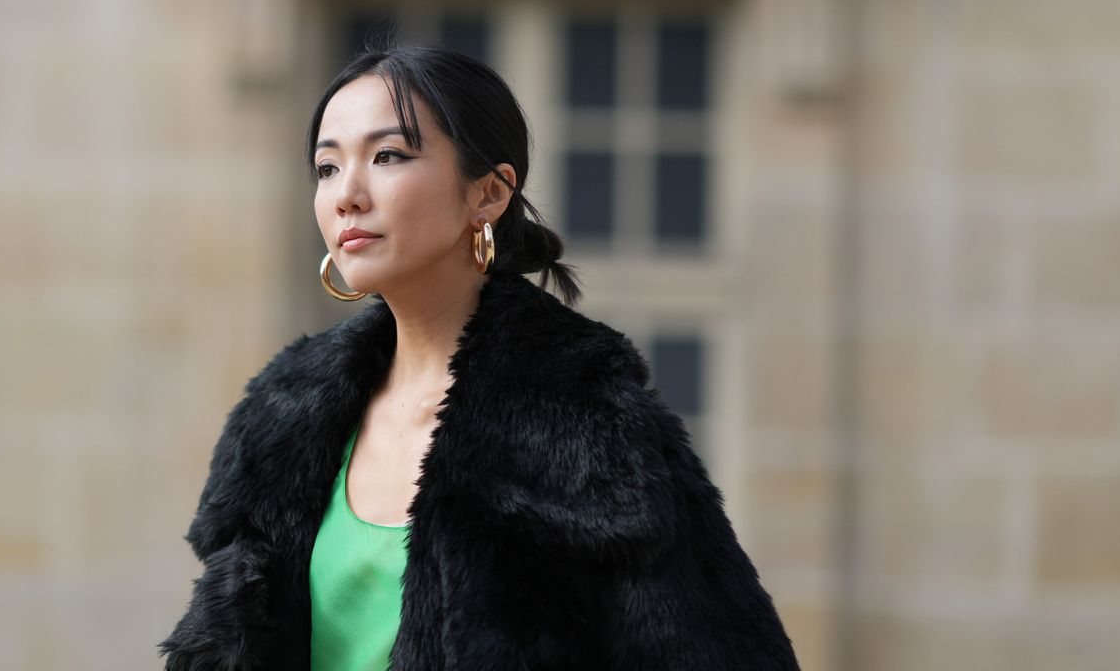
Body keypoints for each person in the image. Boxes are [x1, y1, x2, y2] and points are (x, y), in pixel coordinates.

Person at [158, 46, 800, 671]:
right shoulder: (283, 414)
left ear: (489, 195)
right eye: (327, 168)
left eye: (387, 156)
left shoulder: (586, 418)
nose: (346, 195)